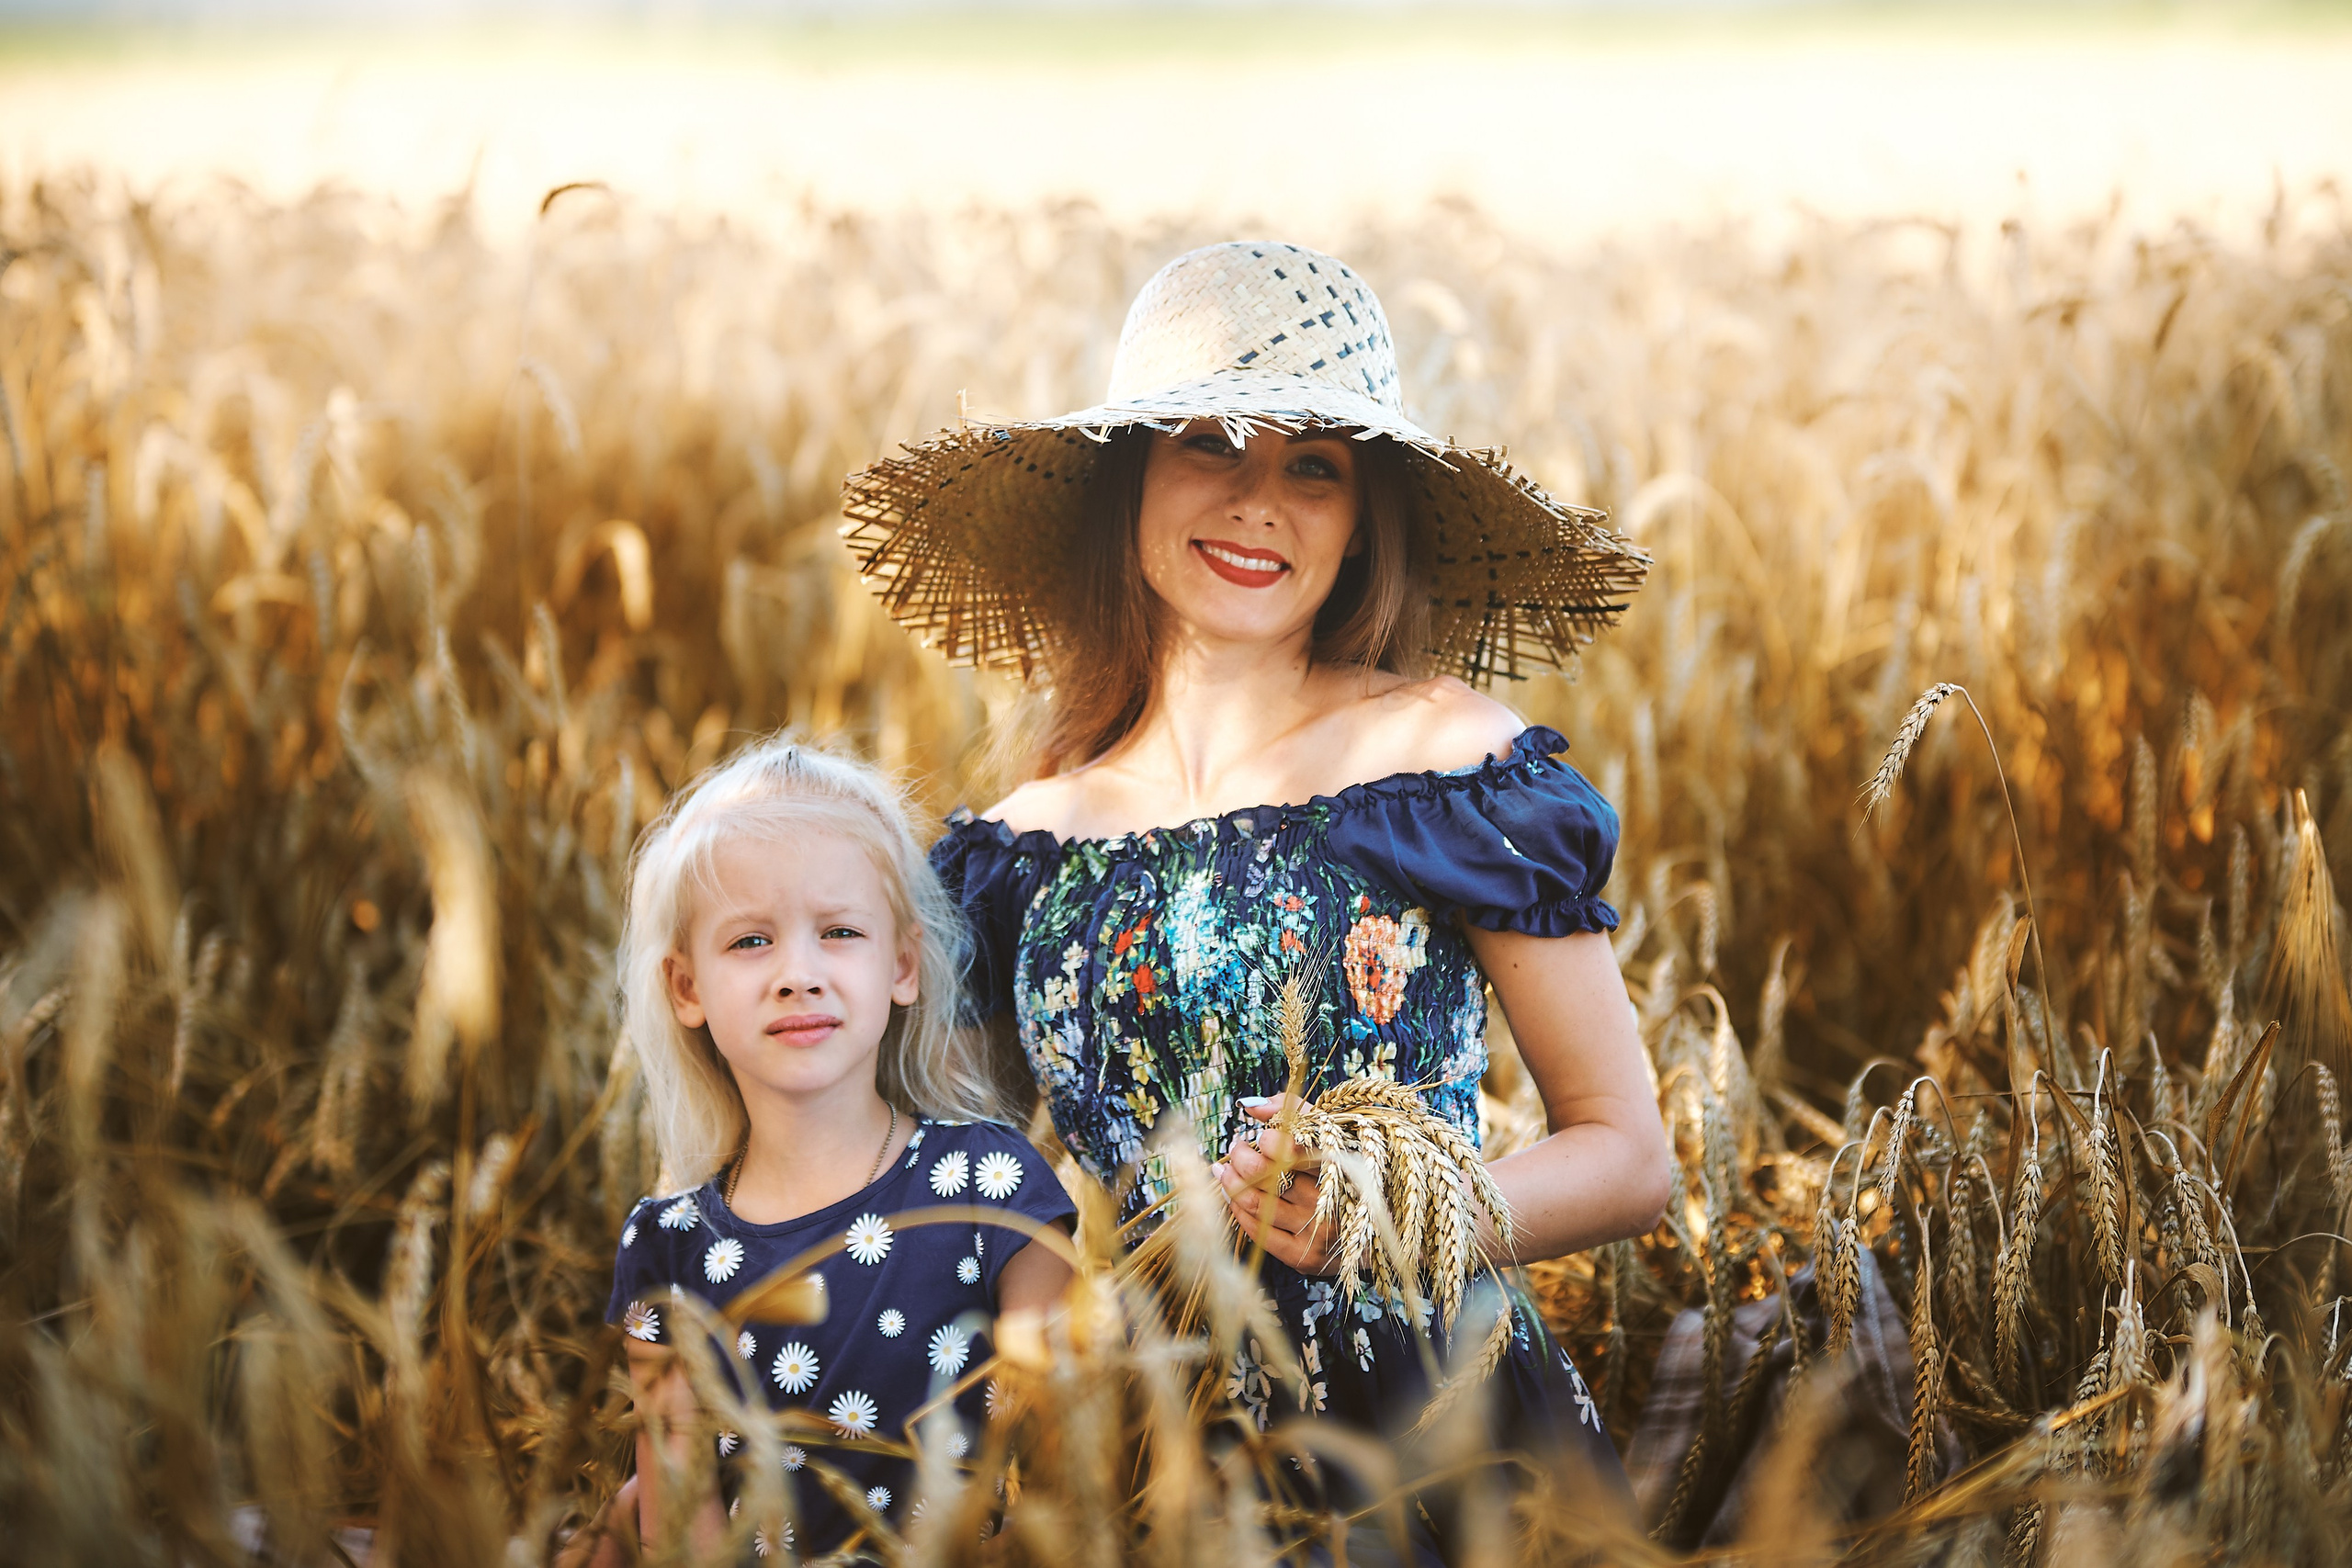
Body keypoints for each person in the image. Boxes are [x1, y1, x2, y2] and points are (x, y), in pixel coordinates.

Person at [842, 242, 1674, 1553]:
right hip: (1151, 1465)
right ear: (1129, 479)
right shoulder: (1014, 856)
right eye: (1211, 442)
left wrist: (1394, 1213)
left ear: (1365, 515)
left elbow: (1631, 1153)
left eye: (1315, 465)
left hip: (1442, 1444)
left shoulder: (1446, 764)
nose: (1259, 501)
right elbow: (935, 1206)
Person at [587, 736, 1076, 1562]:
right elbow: (682, 1527)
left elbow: (1066, 1475)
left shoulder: (993, 1189)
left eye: (840, 931)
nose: (798, 973)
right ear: (686, 988)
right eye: (750, 941)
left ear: (904, 963)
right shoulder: (668, 1249)